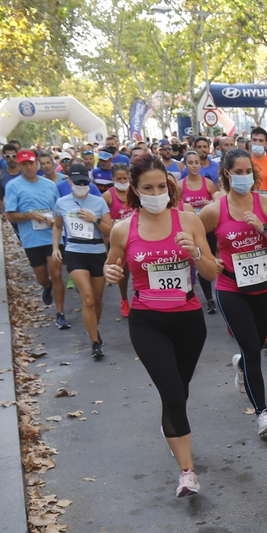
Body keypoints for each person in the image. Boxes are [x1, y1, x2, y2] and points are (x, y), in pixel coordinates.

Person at [103, 155, 218, 497]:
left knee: (178, 393)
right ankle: (187, 473)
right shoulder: (124, 229)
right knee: (171, 392)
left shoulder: (189, 220)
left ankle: (173, 430)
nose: (156, 193)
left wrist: (196, 254)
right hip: (147, 322)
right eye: (147, 188)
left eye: (161, 186)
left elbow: (213, 272)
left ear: (170, 187)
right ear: (135, 192)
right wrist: (111, 275)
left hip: (188, 320)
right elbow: (111, 268)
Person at [199, 149, 267, 436]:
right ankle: (262, 414)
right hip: (230, 287)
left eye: (248, 172)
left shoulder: (265, 204)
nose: (244, 177)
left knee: (255, 344)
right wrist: (208, 255)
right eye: (238, 172)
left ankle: (240, 363)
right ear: (227, 174)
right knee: (253, 350)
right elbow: (196, 233)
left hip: (262, 287)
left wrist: (262, 227)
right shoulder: (215, 210)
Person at [52, 163, 114, 359]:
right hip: (75, 252)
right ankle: (95, 342)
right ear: (69, 181)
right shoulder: (62, 203)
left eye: (84, 182)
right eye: (77, 182)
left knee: (96, 300)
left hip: (97, 252)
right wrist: (55, 248)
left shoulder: (98, 202)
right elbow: (57, 226)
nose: (81, 184)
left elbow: (110, 230)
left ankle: (94, 329)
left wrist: (94, 219)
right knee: (87, 298)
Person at [4, 150, 67, 325]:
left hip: (52, 236)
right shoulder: (13, 186)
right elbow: (10, 215)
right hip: (31, 238)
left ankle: (60, 314)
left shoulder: (49, 185)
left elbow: (59, 210)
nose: (29, 167)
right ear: (19, 165)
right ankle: (46, 287)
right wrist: (30, 215)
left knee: (56, 274)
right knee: (42, 277)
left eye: (31, 163)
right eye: (24, 164)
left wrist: (56, 221)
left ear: (36, 163)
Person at [177, 149, 220, 313]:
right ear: (185, 165)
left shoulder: (208, 183)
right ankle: (208, 299)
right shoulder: (180, 185)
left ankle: (216, 294)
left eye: (197, 163)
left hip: (207, 228)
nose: (194, 166)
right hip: (189, 229)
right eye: (190, 163)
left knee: (207, 258)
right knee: (192, 261)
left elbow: (217, 203)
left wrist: (208, 203)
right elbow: (176, 207)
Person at [104, 155, 136, 318]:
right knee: (123, 272)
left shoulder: (135, 193)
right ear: (113, 179)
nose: (122, 181)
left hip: (136, 237)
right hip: (118, 240)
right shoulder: (108, 196)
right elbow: (104, 222)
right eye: (119, 178)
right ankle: (124, 298)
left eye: (125, 178)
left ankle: (140, 297)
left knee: (139, 269)